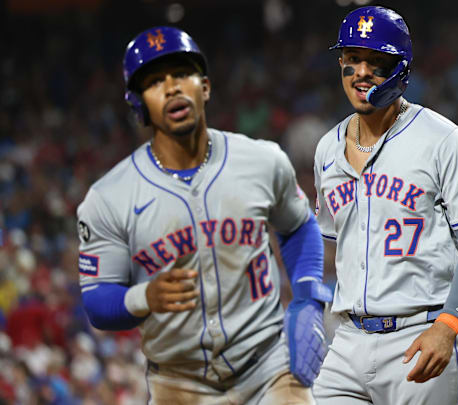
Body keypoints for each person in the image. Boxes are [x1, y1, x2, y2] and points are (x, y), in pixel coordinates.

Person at [76, 26, 331, 404]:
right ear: (139, 105)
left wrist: (308, 295)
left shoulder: (262, 161)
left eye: (182, 74)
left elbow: (298, 226)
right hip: (179, 384)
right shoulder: (108, 197)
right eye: (155, 82)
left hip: (269, 368)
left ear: (205, 87)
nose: (172, 87)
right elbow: (98, 300)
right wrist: (144, 296)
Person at [312, 6, 458, 405]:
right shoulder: (326, 150)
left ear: (401, 70)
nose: (362, 72)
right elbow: (337, 247)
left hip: (421, 331)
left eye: (376, 61)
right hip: (347, 341)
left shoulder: (443, 140)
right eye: (353, 59)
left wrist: (449, 324)